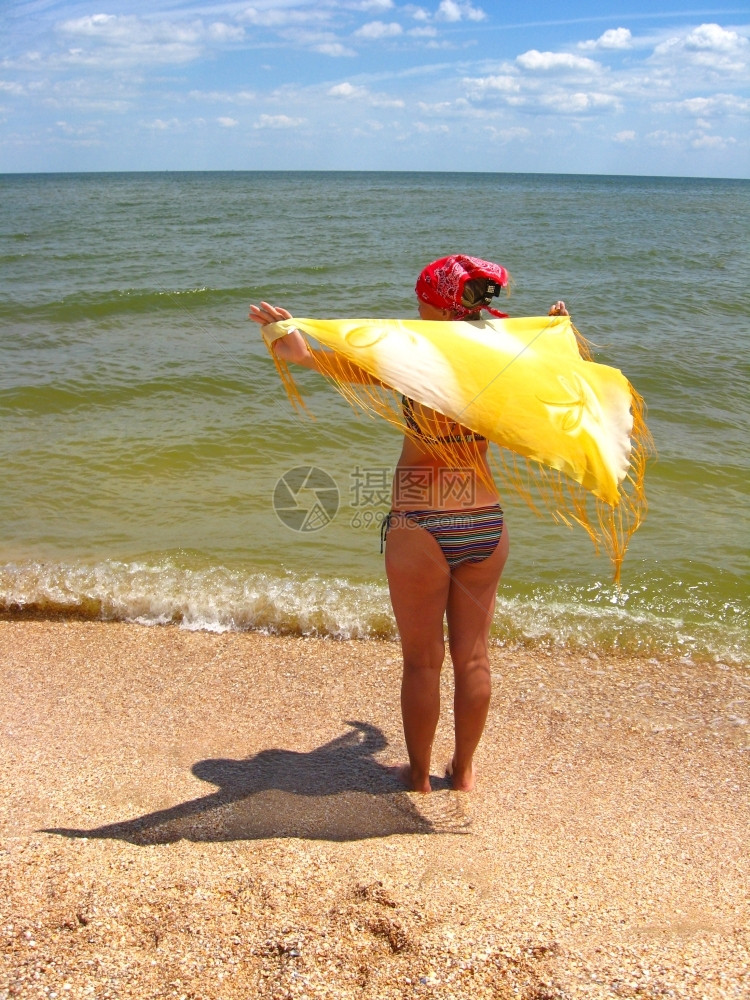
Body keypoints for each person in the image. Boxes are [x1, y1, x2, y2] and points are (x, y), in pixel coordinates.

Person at [250, 255, 568, 793]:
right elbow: (557, 367)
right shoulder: (505, 349)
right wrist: (554, 328)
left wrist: (296, 349)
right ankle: (463, 773)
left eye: (421, 299)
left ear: (437, 303)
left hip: (421, 519)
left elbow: (346, 365)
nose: (414, 309)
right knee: (473, 658)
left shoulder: (412, 354)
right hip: (484, 518)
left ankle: (419, 777)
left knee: (423, 663)